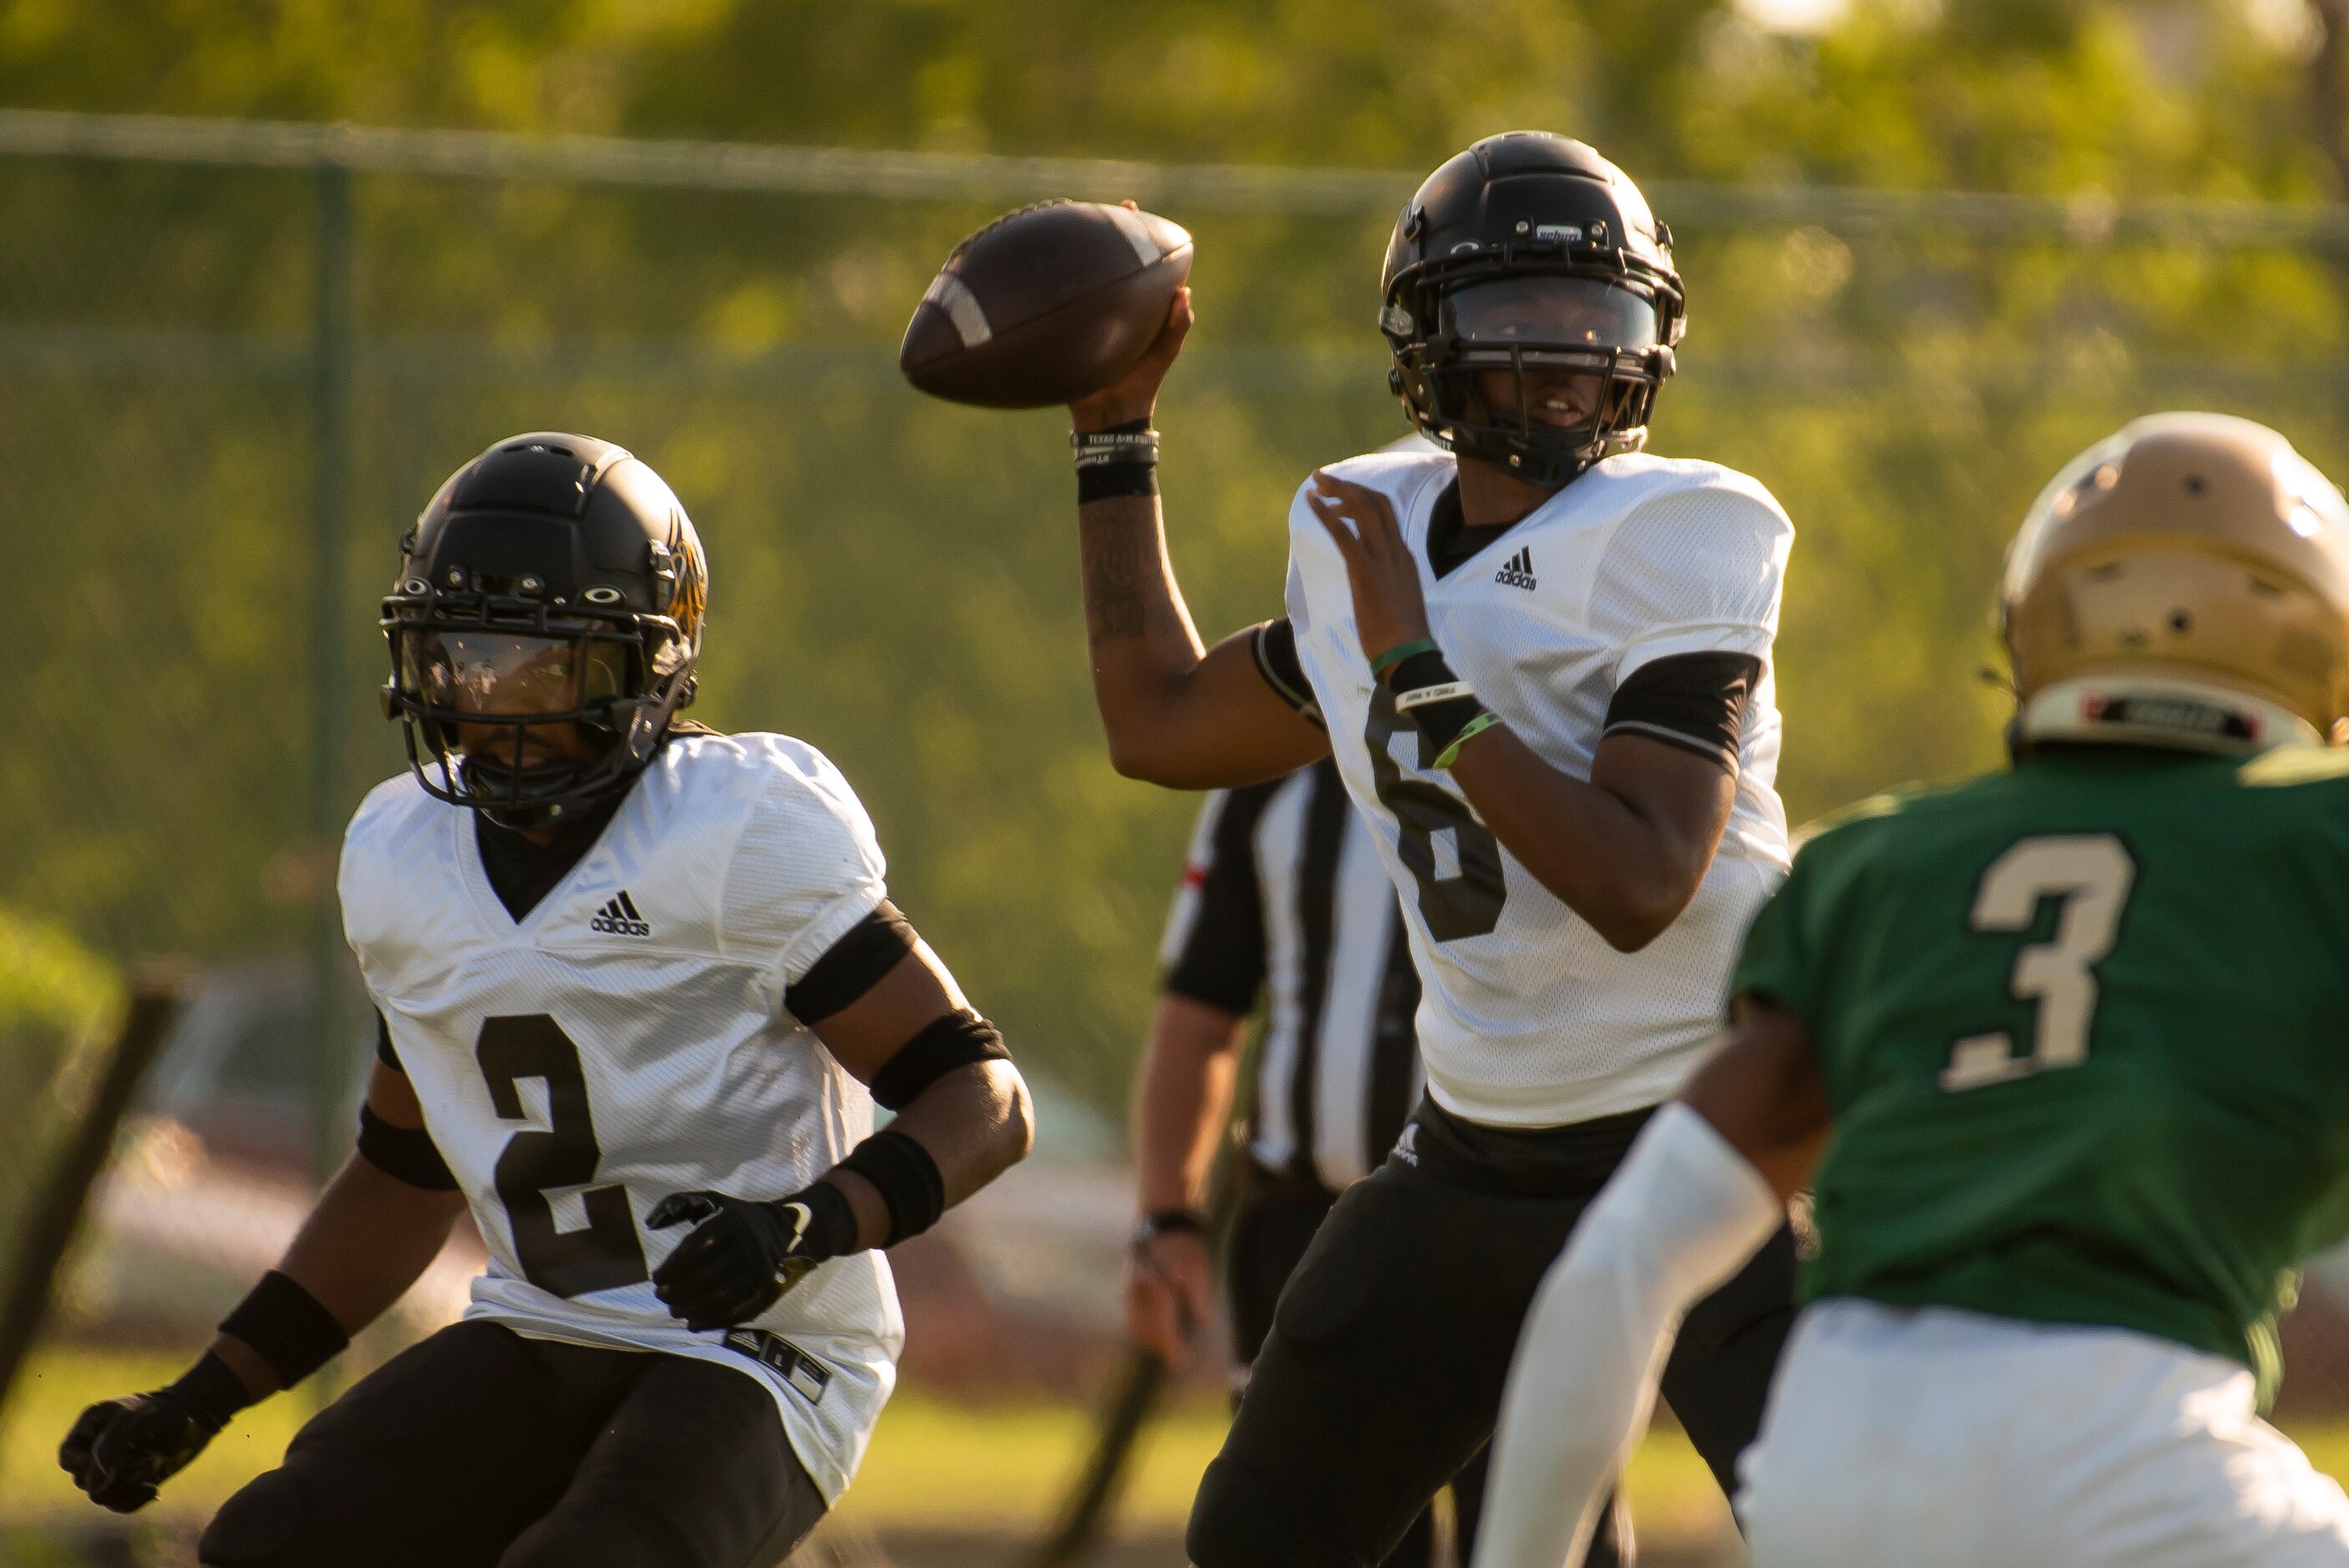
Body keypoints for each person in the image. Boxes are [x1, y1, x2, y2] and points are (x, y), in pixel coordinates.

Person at [58, 432, 1035, 1568]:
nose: (494, 699)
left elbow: (982, 1097)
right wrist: (204, 1392)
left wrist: (808, 1222)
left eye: (543, 663)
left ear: (646, 663)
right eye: (461, 656)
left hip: (762, 1350)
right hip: (540, 1325)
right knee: (275, 1536)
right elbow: (401, 1172)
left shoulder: (735, 831)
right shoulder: (402, 852)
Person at [1064, 130, 1800, 1567]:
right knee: (1260, 1538)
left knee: (1856, 1520)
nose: (1565, 359)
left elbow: (1638, 880)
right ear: (1427, 344)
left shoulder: (1682, 527)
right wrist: (1110, 434)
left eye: (1599, 321)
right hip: (1475, 1147)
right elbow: (1155, 724)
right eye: (1516, 320)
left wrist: (1416, 660)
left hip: (1712, 1125)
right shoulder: (1370, 521)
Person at [1472, 412, 2349, 1568]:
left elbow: (1616, 1267)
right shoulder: (2315, 839)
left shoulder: (1874, 865)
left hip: (1833, 1471)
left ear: (2038, 624)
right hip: (2136, 1453)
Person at [1128, 756, 1486, 1564]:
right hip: (1307, 1226)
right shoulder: (1263, 763)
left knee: (1539, 1533)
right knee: (1290, 1536)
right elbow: (1200, 1006)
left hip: (1512, 1220)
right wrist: (1164, 1217)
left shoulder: (1546, 716)